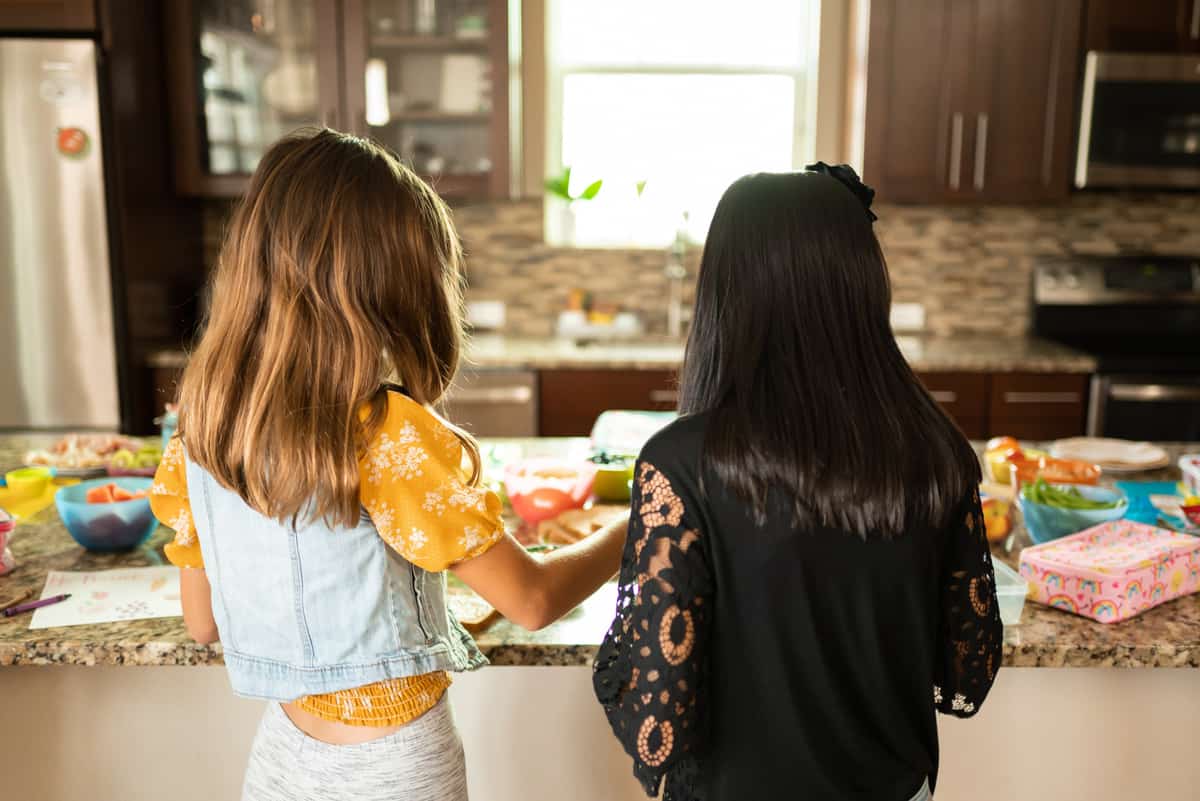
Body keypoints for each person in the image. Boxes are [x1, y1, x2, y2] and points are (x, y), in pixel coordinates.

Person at [149, 128, 628, 801]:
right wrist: (635, 529)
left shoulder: (203, 420)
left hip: (283, 753)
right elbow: (532, 599)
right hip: (396, 767)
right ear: (395, 285)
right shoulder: (389, 432)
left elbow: (203, 620)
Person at [592, 164, 1003, 801]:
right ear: (864, 285)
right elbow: (967, 671)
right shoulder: (936, 449)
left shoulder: (684, 462)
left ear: (726, 291)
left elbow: (658, 720)